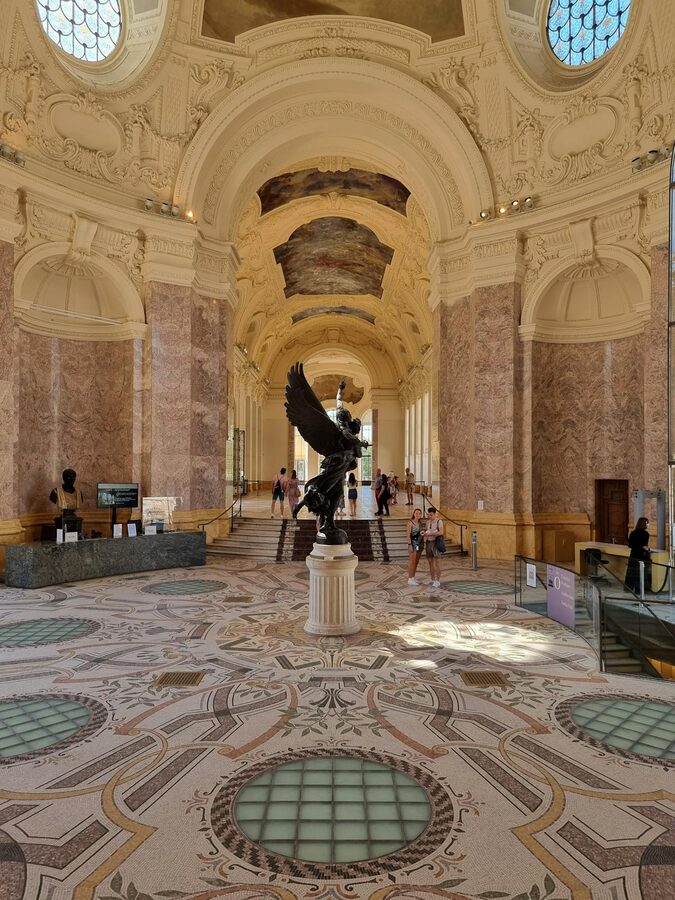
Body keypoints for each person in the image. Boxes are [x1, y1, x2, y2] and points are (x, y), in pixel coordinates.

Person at [625, 516, 651, 593]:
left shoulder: (632, 533)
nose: (649, 524)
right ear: (645, 524)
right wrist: (648, 550)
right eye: (648, 523)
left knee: (631, 572)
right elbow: (644, 546)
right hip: (641, 555)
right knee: (640, 573)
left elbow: (630, 545)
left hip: (633, 555)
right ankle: (639, 589)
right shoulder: (645, 534)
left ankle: (628, 588)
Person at [423, 507, 444, 588]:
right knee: (430, 562)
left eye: (431, 515)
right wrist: (424, 533)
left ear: (435, 514)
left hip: (436, 543)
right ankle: (432, 579)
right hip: (428, 543)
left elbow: (441, 532)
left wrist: (431, 534)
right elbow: (426, 531)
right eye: (428, 515)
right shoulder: (428, 522)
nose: (429, 516)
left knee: (437, 562)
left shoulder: (439, 521)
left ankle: (437, 580)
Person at [406, 507, 424, 586]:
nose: (418, 515)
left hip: (419, 544)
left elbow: (420, 533)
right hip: (413, 544)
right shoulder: (410, 523)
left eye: (419, 513)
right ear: (414, 514)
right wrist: (409, 545)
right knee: (412, 561)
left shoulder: (420, 523)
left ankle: (413, 577)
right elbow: (407, 535)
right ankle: (410, 579)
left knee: (416, 561)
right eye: (416, 513)